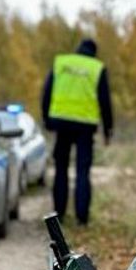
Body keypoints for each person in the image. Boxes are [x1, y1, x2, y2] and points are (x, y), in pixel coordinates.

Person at [40, 38, 113, 225]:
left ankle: (59, 215)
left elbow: (46, 92)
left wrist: (47, 119)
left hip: (62, 123)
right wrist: (108, 129)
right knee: (82, 171)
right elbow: (105, 101)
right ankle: (82, 218)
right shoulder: (97, 68)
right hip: (85, 127)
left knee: (61, 169)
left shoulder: (61, 63)